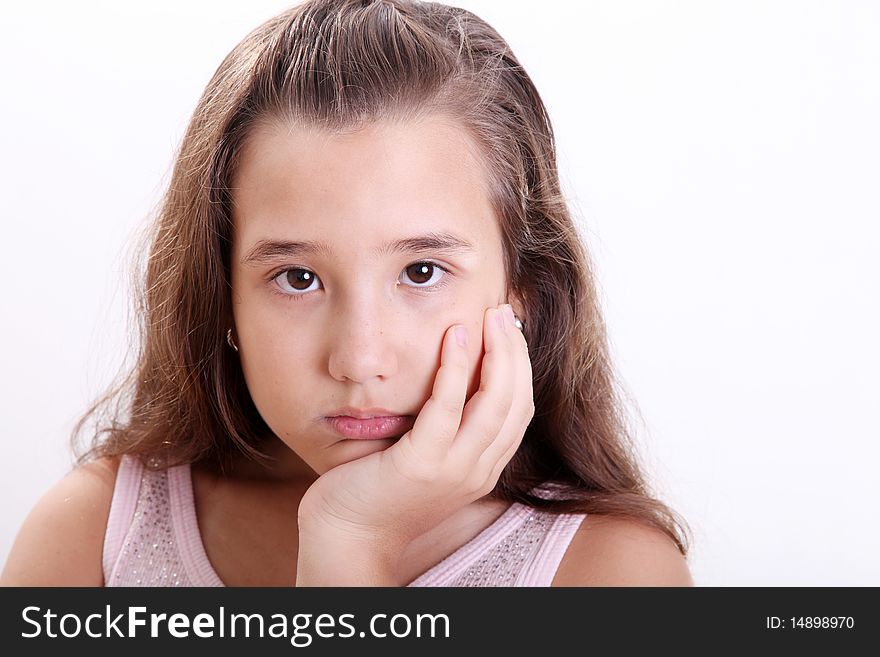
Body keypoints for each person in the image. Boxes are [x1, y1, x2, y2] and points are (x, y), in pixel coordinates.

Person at [1, 0, 692, 587]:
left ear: (523, 292)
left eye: (421, 271)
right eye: (297, 278)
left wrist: (350, 540)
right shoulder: (93, 541)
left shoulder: (608, 573)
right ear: (225, 299)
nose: (359, 360)